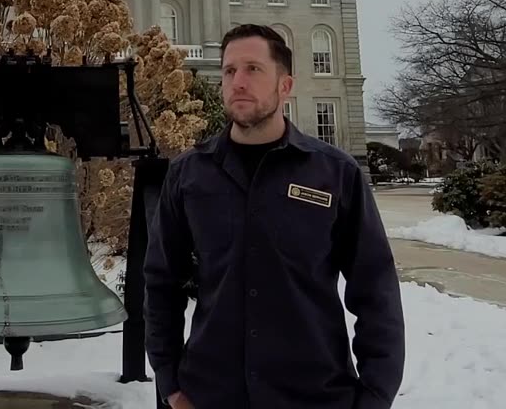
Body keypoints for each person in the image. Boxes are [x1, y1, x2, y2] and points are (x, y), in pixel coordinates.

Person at [144, 24, 404, 408]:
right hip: (210, 395)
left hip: (315, 395)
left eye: (253, 69)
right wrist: (170, 384)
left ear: (286, 86)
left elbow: (375, 288)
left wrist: (375, 395)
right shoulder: (189, 174)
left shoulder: (335, 173)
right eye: (230, 71)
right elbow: (161, 282)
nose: (238, 81)